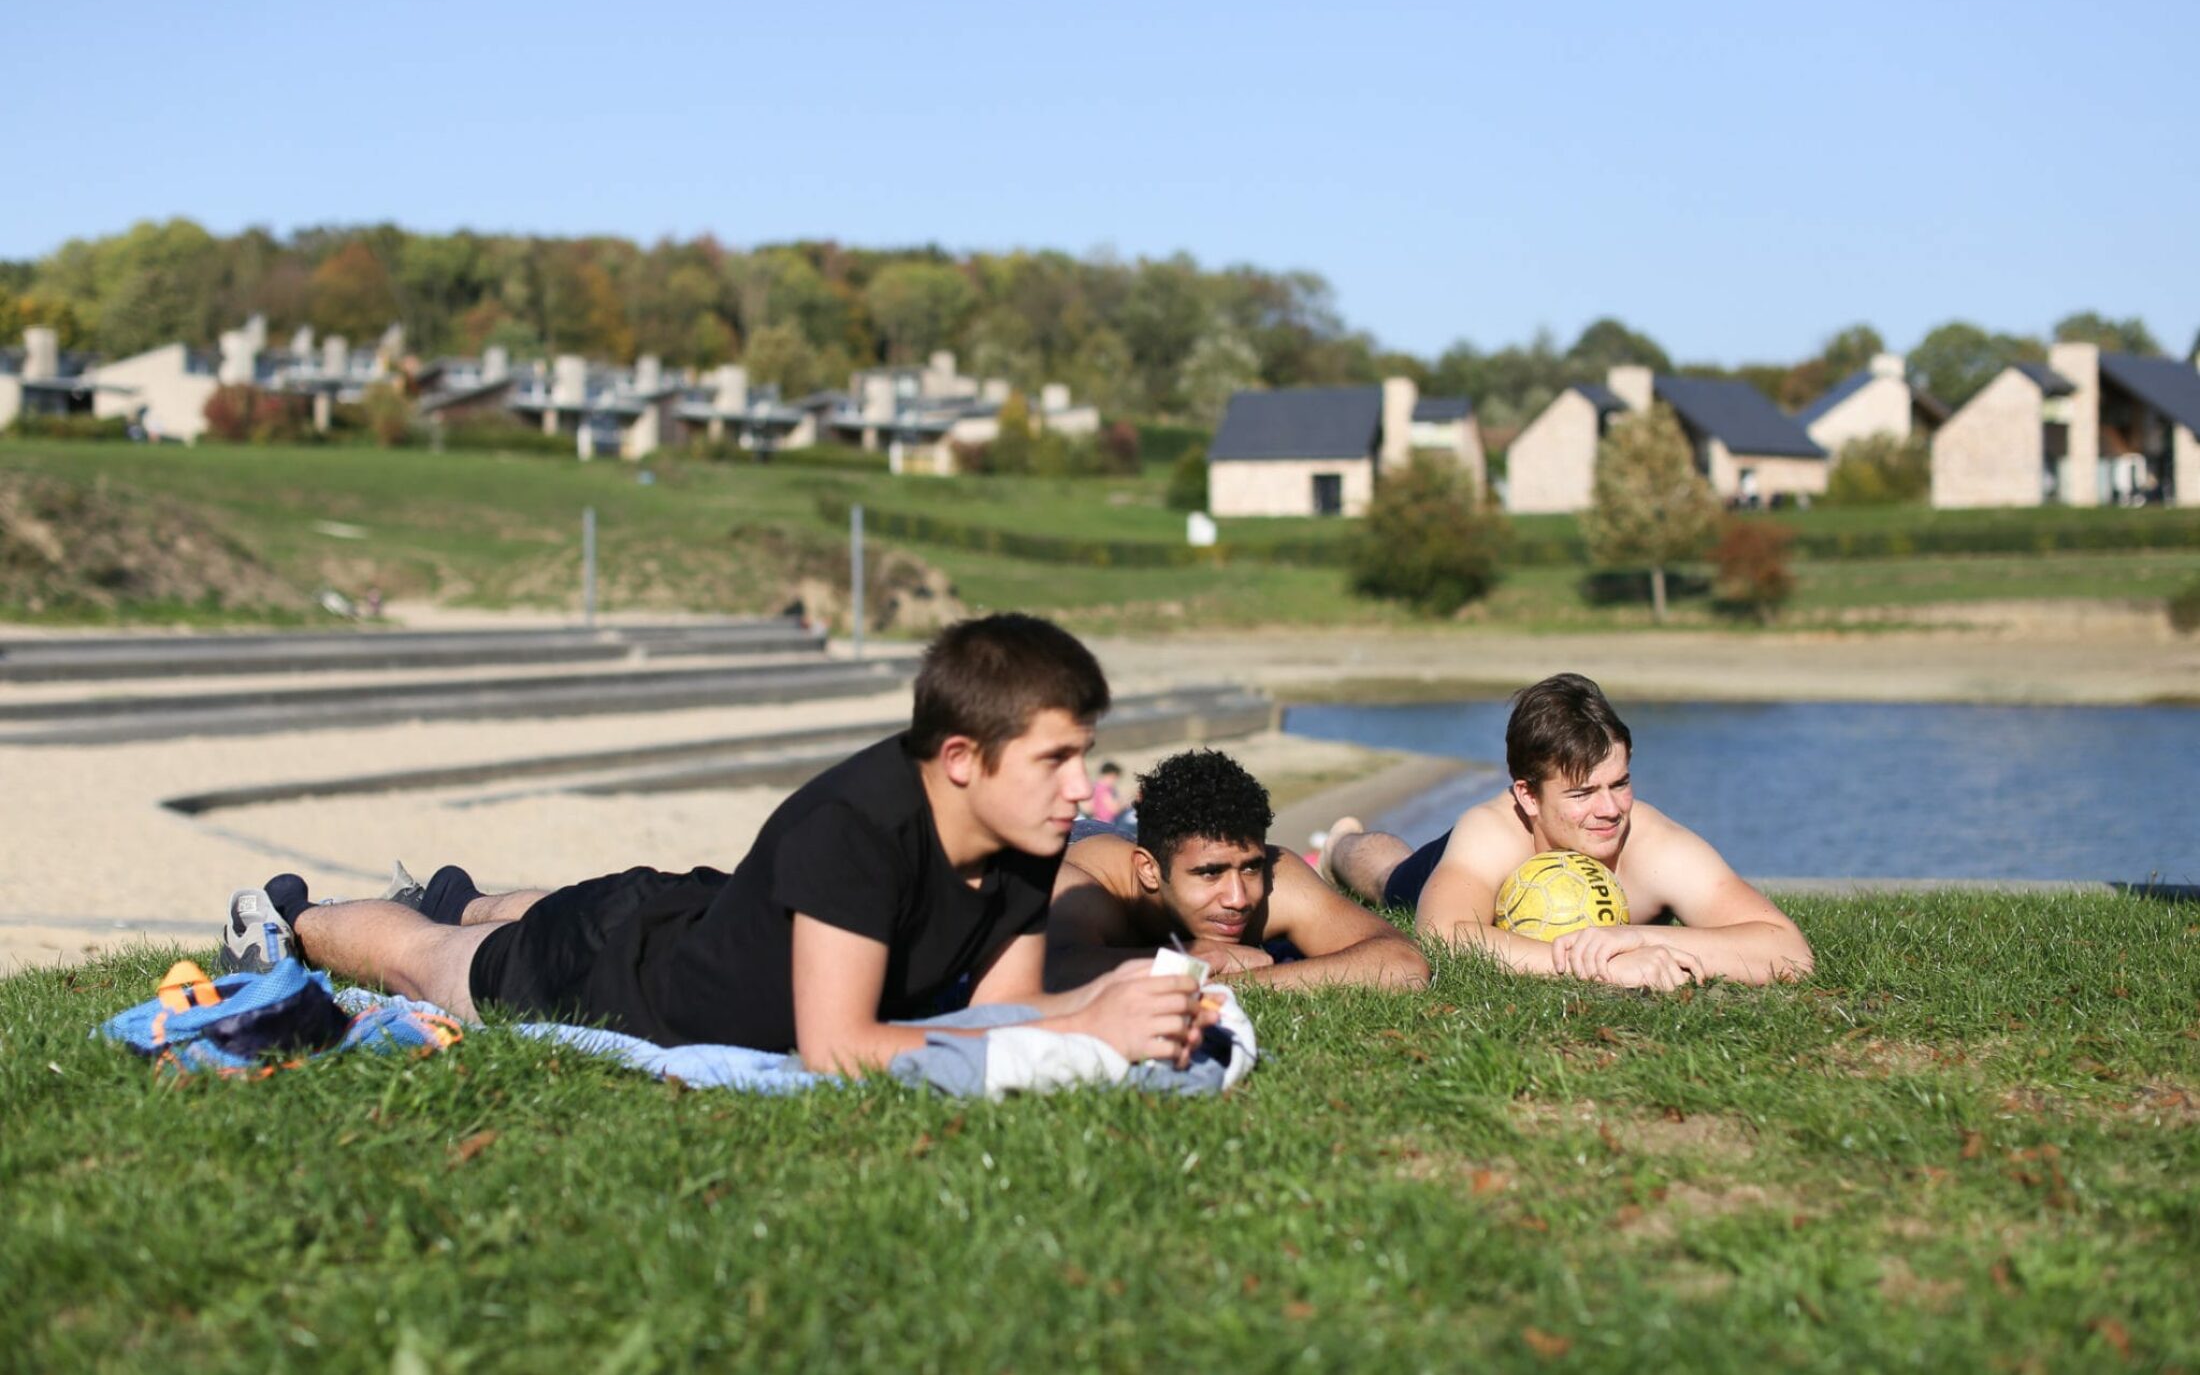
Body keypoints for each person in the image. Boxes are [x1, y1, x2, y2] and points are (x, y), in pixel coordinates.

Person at [217, 613, 1212, 1074]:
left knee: (551, 907)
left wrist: (1124, 999)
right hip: (626, 979)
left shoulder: (1023, 828)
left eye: (1083, 757)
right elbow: (839, 1048)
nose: (1083, 790)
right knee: (433, 960)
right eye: (1057, 760)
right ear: (963, 758)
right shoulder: (858, 830)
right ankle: (290, 918)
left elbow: (1003, 1012)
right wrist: (1087, 1032)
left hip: (697, 911)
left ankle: (455, 891)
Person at [1321, 673, 1812, 992]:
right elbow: (1443, 936)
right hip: (1436, 870)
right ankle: (1336, 846)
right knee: (1388, 877)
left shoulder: (1655, 845)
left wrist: (1630, 938)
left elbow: (1787, 952)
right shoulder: (1492, 832)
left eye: (1620, 784)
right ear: (1528, 796)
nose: (1610, 810)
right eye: (1582, 794)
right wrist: (1598, 965)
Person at [1047, 749, 1431, 993]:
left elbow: (1403, 965)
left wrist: (1237, 983)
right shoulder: (1079, 891)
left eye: (1250, 867)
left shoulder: (1272, 877)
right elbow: (1049, 973)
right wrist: (1197, 959)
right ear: (1148, 870)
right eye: (1210, 873)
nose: (1238, 899)